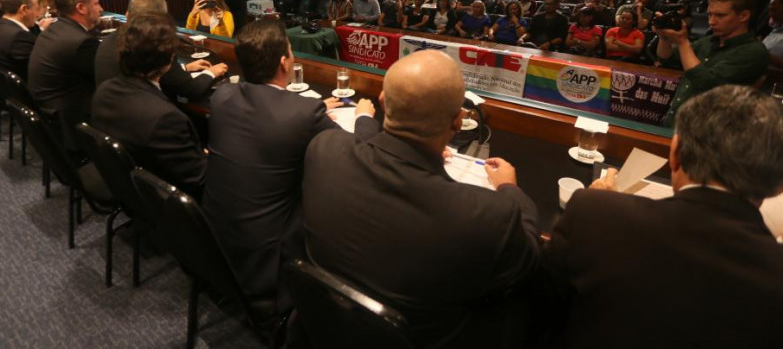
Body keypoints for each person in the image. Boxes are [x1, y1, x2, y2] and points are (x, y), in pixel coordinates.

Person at [303, 50, 540, 347]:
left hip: (327, 330)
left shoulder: (323, 148)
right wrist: (510, 190)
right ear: (457, 121)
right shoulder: (487, 215)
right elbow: (529, 258)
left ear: (383, 102)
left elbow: (367, 150)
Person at [540, 85, 783, 349]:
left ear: (675, 153)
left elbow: (541, 308)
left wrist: (605, 201)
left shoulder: (595, 212)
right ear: (779, 185)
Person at [202, 20, 379, 323]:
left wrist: (306, 109)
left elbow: (270, 116)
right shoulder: (302, 113)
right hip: (268, 262)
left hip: (214, 245)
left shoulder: (221, 98)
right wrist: (364, 117)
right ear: (285, 63)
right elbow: (360, 154)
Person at [92, 13, 208, 201]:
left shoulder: (104, 91)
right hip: (172, 204)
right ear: (170, 57)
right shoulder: (164, 118)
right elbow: (199, 180)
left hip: (134, 190)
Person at [657, 0, 768, 126]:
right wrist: (664, 36)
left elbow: (706, 83)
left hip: (711, 133)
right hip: (678, 122)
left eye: (720, 15)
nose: (711, 21)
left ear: (743, 16)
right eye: (710, 15)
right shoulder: (709, 41)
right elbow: (666, 58)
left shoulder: (753, 51)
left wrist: (683, 42)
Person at [96, 0, 227, 103]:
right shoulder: (155, 45)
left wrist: (184, 68)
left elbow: (161, 75)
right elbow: (190, 89)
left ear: (127, 15)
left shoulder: (108, 41)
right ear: (161, 21)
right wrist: (211, 72)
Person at [27, 0, 103, 148]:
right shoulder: (80, 41)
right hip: (71, 120)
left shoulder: (55, 29)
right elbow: (106, 78)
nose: (101, 9)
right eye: (96, 3)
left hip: (49, 113)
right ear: (81, 8)